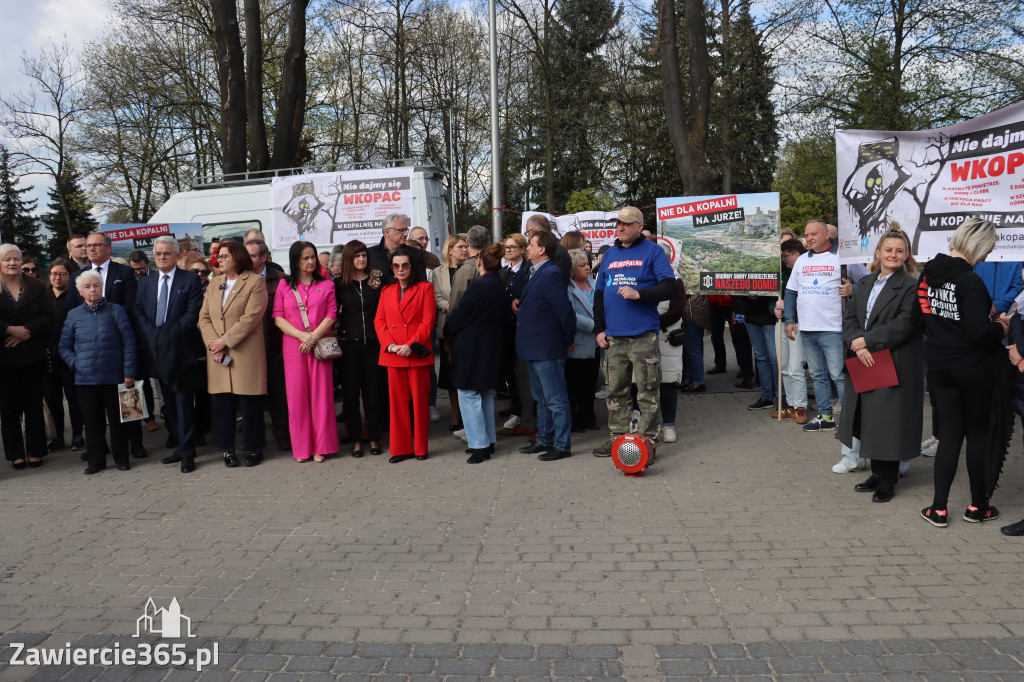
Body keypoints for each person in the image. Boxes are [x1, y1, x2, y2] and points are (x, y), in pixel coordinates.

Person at [916, 217, 1011, 527]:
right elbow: (979, 333)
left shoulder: (926, 274)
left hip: (940, 366)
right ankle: (978, 507)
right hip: (973, 368)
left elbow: (922, 319)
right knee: (978, 435)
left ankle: (938, 509)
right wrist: (1001, 326)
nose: (987, 257)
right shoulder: (970, 281)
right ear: (978, 245)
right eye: (988, 250)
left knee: (950, 435)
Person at [835, 228, 923, 502]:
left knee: (889, 421)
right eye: (889, 250)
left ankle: (888, 480)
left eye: (899, 250)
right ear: (878, 253)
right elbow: (850, 319)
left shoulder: (911, 286)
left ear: (906, 255)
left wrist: (864, 341)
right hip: (864, 358)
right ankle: (878, 471)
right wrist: (854, 342)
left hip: (892, 361)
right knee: (869, 418)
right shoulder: (864, 283)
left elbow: (904, 325)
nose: (893, 255)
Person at [591, 207, 677, 456]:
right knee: (616, 392)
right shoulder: (609, 254)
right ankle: (617, 438)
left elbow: (670, 287)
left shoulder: (652, 251)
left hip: (642, 336)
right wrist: (599, 329)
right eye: (618, 223)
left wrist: (640, 294)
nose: (620, 228)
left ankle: (648, 442)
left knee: (647, 393)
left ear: (639, 226)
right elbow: (599, 295)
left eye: (626, 224)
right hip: (614, 338)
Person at [133, 236, 205, 474]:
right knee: (169, 405)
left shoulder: (190, 279)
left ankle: (188, 453)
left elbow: (192, 312)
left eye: (166, 253)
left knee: (184, 403)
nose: (161, 257)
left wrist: (170, 335)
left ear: (176, 255)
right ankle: (178, 444)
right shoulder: (146, 282)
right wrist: (153, 335)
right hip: (157, 350)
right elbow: (139, 310)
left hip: (181, 350)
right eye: (158, 254)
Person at [199, 239, 269, 470]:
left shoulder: (255, 282)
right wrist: (213, 345)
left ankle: (253, 448)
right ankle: (227, 450)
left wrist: (224, 342)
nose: (219, 260)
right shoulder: (214, 283)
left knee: (250, 405)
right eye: (219, 257)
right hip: (218, 354)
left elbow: (251, 318)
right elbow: (204, 318)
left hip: (244, 353)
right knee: (221, 405)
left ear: (238, 257)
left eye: (224, 256)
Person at [59, 269, 136, 474]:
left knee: (118, 421)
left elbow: (129, 343)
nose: (92, 289)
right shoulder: (73, 315)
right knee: (92, 423)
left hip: (114, 376)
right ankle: (96, 462)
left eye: (96, 285)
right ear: (80, 291)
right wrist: (76, 363)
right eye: (87, 286)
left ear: (102, 288)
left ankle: (121, 458)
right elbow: (63, 346)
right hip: (86, 380)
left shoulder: (116, 311)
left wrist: (129, 372)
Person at [273, 241, 339, 463]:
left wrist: (312, 338)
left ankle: (322, 446)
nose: (311, 262)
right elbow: (278, 317)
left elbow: (331, 314)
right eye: (305, 258)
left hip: (319, 345)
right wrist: (302, 337)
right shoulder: (284, 285)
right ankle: (301, 449)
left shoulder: (327, 285)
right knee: (296, 398)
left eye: (313, 257)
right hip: (294, 347)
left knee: (322, 397)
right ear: (295, 261)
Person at [444, 243, 506, 463]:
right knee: (484, 393)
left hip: (472, 346)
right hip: (490, 345)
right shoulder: (498, 284)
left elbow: (459, 315)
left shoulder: (480, 286)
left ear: (479, 261)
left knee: (469, 394)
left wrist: (447, 331)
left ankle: (479, 444)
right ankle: (487, 441)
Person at [516, 230, 575, 461]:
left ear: (542, 249)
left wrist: (568, 338)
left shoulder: (550, 273)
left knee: (556, 400)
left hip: (546, 348)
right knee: (541, 398)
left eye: (531, 245)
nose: (527, 248)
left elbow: (565, 312)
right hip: (534, 346)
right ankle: (545, 439)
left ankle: (562, 445)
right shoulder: (537, 271)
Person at [374, 246, 436, 463]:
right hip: (394, 355)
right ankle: (401, 449)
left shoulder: (425, 288)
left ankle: (420, 448)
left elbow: (427, 321)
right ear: (392, 268)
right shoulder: (386, 291)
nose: (400, 269)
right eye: (396, 265)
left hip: (416, 354)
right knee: (397, 405)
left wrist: (410, 345)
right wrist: (390, 346)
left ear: (412, 267)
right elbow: (379, 321)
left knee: (419, 404)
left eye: (405, 265)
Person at [784, 219, 845, 432]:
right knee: (818, 375)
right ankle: (826, 417)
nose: (809, 238)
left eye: (813, 234)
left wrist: (852, 289)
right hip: (807, 329)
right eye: (807, 234)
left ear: (827, 234)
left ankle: (849, 420)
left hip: (833, 328)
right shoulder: (801, 261)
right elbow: (791, 292)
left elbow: (865, 282)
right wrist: (790, 320)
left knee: (838, 375)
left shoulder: (842, 257)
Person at [0, 244, 53, 470]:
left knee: (33, 404)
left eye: (16, 259)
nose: (13, 263)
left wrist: (25, 332)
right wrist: (9, 330)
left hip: (32, 354)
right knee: (9, 407)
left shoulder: (37, 286)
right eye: (7, 260)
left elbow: (49, 318)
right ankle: (16, 454)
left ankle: (36, 450)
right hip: (4, 358)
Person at [335, 240, 387, 457]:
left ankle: (373, 437)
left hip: (375, 344)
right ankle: (356, 439)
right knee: (350, 395)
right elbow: (332, 313)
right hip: (349, 347)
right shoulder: (340, 284)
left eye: (364, 255)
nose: (362, 259)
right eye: (357, 256)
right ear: (349, 258)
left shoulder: (377, 279)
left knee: (375, 394)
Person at [247, 239, 290, 451]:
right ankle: (254, 438)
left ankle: (282, 433)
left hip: (275, 346)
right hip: (249, 349)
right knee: (252, 395)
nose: (248, 260)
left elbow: (288, 316)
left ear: (264, 257)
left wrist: (285, 346)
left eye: (253, 255)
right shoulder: (239, 280)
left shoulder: (280, 280)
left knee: (279, 394)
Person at [43, 258, 84, 452]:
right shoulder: (43, 296)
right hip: (48, 356)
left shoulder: (75, 296)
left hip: (69, 354)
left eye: (62, 274)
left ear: (70, 275)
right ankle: (58, 436)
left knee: (74, 397)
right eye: (53, 274)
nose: (57, 277)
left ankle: (77, 435)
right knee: (52, 398)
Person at [498, 233, 536, 438]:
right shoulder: (502, 272)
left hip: (521, 330)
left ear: (523, 250)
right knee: (510, 376)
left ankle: (528, 417)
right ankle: (517, 411)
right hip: (505, 331)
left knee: (523, 376)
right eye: (506, 246)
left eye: (513, 247)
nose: (509, 250)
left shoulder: (527, 271)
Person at [434, 233, 469, 431]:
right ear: (449, 250)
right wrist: (455, 309)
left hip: (468, 330)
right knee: (450, 377)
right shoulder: (439, 272)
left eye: (465, 246)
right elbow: (438, 298)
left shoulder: (471, 268)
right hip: (447, 330)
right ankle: (455, 415)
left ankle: (468, 414)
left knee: (466, 373)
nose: (464, 250)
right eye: (460, 247)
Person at [774, 239, 809, 422]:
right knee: (784, 367)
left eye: (785, 256)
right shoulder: (782, 273)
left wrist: (787, 305)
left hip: (797, 323)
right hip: (780, 322)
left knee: (796, 366)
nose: (783, 260)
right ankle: (790, 403)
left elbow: (806, 297)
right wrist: (776, 306)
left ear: (796, 254)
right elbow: (775, 298)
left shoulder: (803, 271)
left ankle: (800, 406)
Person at [565, 248, 599, 433]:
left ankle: (588, 416)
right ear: (572, 268)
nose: (587, 268)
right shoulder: (568, 287)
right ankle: (575, 420)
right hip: (577, 343)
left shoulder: (594, 284)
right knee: (574, 386)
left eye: (588, 264)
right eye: (582, 265)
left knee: (590, 384)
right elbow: (571, 315)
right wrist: (596, 325)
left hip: (596, 344)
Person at [735, 293, 781, 410]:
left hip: (770, 316)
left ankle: (782, 398)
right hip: (751, 315)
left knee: (775, 359)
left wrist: (761, 296)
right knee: (761, 358)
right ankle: (766, 397)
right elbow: (734, 289)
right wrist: (745, 296)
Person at [368, 213, 427, 288]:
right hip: (379, 299)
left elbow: (422, 285)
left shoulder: (416, 254)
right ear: (387, 232)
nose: (406, 234)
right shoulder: (369, 254)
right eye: (401, 230)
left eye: (406, 230)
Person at [449, 225, 491, 312]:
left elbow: (455, 306)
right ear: (488, 243)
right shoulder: (499, 268)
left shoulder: (465, 270)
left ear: (467, 243)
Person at [679, 283, 710, 393]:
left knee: (693, 350)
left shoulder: (692, 277)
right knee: (689, 349)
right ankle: (690, 380)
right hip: (695, 312)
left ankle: (698, 382)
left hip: (692, 313)